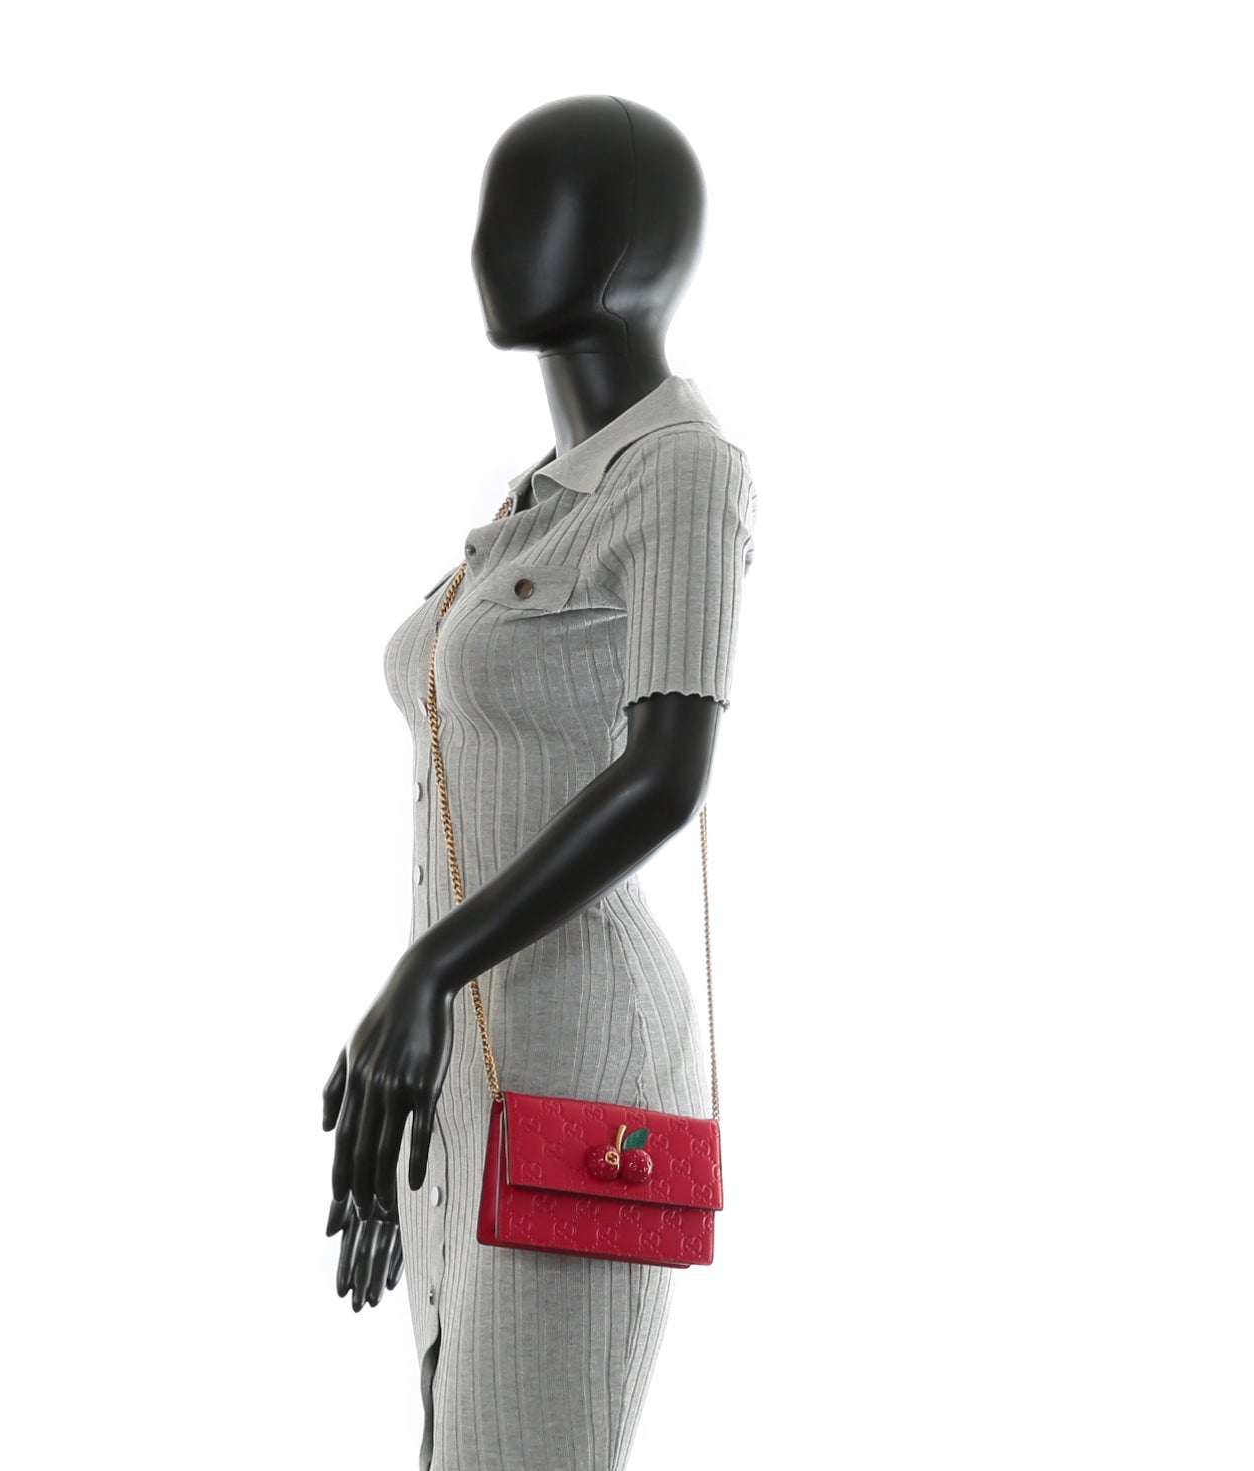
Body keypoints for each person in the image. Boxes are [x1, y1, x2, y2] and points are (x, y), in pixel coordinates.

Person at [323, 94, 759, 1471]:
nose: (491, 246)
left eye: (533, 210)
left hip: (577, 1051)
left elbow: (666, 774)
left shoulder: (683, 473)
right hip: (463, 1050)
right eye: (491, 215)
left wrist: (427, 968)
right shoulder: (533, 501)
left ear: (636, 243)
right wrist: (415, 1009)